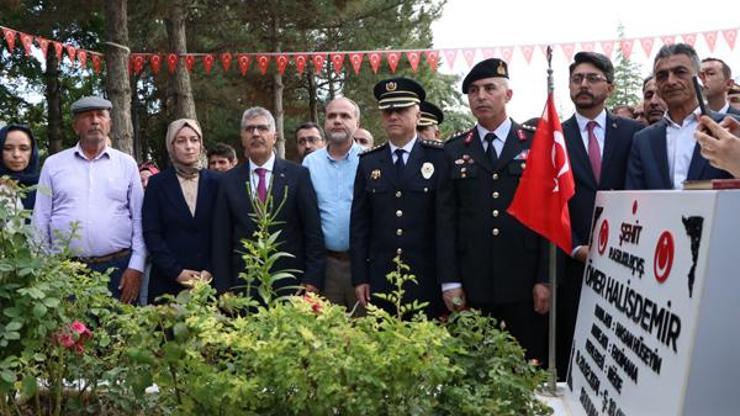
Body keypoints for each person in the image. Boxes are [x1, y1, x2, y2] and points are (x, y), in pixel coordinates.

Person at [436, 59, 549, 360]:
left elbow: (548, 216)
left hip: (523, 280)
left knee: (528, 366)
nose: (481, 96)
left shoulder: (536, 143)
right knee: (473, 369)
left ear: (508, 95)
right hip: (472, 281)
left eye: (489, 88)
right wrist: (450, 281)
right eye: (473, 91)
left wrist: (546, 278)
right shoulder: (454, 150)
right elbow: (445, 222)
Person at [558, 51, 644, 379]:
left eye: (592, 78)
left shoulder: (634, 133)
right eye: (577, 78)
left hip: (625, 265)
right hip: (572, 261)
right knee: (574, 351)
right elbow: (551, 205)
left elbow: (641, 192)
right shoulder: (554, 136)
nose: (584, 85)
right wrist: (577, 246)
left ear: (609, 87)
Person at [32, 96, 145, 303]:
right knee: (69, 335)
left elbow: (139, 218)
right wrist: (45, 270)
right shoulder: (53, 165)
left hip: (118, 270)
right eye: (87, 116)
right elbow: (41, 219)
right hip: (64, 272)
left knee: (119, 333)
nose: (95, 121)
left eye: (100, 115)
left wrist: (136, 266)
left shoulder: (126, 164)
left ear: (109, 124)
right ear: (76, 126)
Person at [350, 77, 445, 319]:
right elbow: (360, 226)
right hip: (381, 279)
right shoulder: (368, 162)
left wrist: (449, 279)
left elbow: (447, 225)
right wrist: (360, 276)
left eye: (401, 109)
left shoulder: (438, 158)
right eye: (387, 111)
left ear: (418, 114)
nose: (393, 116)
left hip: (427, 277)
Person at [212, 107, 324, 296]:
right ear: (242, 137)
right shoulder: (227, 182)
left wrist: (312, 280)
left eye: (262, 128)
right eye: (249, 129)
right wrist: (223, 288)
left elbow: (312, 232)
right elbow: (221, 238)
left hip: (291, 285)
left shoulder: (298, 176)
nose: (255, 134)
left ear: (275, 136)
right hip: (244, 287)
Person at [626, 44, 734, 190]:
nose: (670, 81)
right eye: (662, 76)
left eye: (680, 72)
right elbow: (635, 198)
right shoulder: (643, 140)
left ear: (701, 78)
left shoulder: (729, 127)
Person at [142, 119, 220, 304]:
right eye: (181, 141)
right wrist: (177, 272)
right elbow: (152, 233)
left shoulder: (218, 183)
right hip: (168, 283)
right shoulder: (157, 184)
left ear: (201, 145)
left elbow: (224, 232)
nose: (189, 146)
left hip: (210, 283)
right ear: (171, 146)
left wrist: (210, 270)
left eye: (194, 140)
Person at [303, 97, 364, 312]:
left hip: (363, 266)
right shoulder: (310, 163)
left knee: (365, 333)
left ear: (357, 123)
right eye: (331, 116)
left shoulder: (369, 159)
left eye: (345, 116)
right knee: (328, 334)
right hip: (326, 266)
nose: (337, 121)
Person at [0, 124, 39, 210]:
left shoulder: (44, 187)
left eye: (24, 148)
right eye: (8, 148)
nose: (16, 155)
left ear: (32, 152)